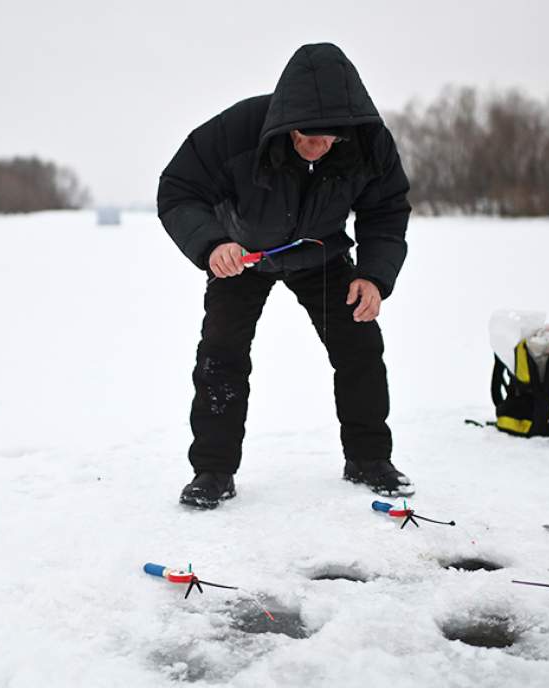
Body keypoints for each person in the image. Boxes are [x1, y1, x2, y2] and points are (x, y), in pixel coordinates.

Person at [157, 42, 412, 509]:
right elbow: (178, 191)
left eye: (327, 138)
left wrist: (374, 276)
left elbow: (386, 209)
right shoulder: (237, 130)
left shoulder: (370, 141)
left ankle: (369, 459)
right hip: (241, 256)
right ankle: (213, 471)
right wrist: (214, 244)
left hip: (319, 253)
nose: (316, 146)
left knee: (359, 344)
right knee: (221, 355)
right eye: (306, 136)